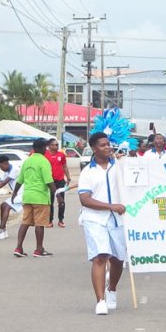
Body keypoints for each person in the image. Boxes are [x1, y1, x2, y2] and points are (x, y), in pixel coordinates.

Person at [78, 132, 127, 315]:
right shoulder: (87, 172)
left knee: (117, 259)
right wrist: (110, 206)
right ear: (94, 148)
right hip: (94, 219)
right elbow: (85, 199)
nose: (108, 147)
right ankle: (100, 301)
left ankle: (111, 288)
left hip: (117, 220)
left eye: (109, 144)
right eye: (103, 145)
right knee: (100, 257)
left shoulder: (120, 166)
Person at [13, 138, 55, 258]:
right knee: (39, 224)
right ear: (42, 148)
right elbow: (49, 180)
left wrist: (14, 192)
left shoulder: (27, 161)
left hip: (27, 197)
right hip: (40, 197)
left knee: (25, 222)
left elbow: (20, 179)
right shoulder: (44, 161)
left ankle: (19, 247)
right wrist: (57, 194)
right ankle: (39, 249)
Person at [0, 155, 21, 240]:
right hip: (17, 194)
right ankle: (4, 231)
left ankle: (1, 230)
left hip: (22, 194)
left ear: (5, 163)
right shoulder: (7, 171)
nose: (0, 168)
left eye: (0, 166)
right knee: (3, 205)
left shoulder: (15, 169)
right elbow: (0, 182)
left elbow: (3, 183)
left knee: (6, 206)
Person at [45, 138, 72, 228]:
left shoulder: (61, 155)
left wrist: (68, 177)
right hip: (49, 182)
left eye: (57, 144)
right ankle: (49, 221)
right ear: (49, 146)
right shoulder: (45, 155)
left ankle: (61, 220)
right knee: (50, 202)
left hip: (60, 181)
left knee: (61, 201)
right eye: (54, 145)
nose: (56, 146)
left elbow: (64, 166)